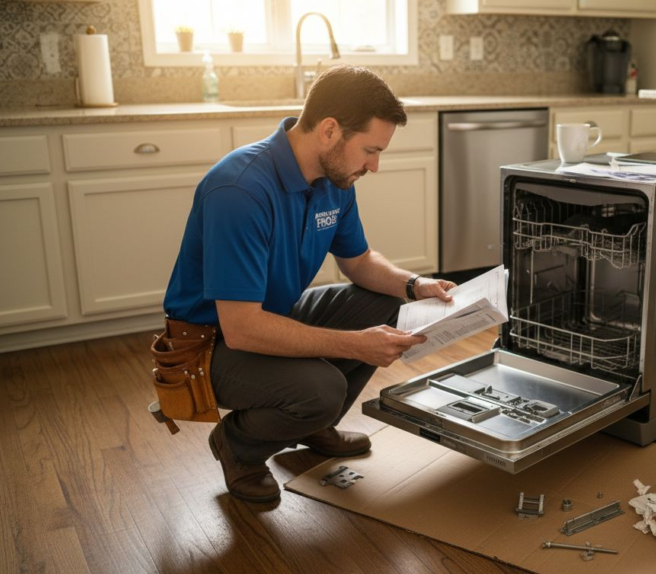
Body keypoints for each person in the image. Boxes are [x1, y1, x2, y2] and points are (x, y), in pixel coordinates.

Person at [163, 65, 455, 503]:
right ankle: (238, 447)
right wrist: (356, 344)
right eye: (370, 150)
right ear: (330, 130)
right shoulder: (240, 189)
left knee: (384, 301)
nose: (374, 166)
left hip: (269, 316)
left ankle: (313, 425)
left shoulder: (334, 179)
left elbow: (358, 261)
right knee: (323, 389)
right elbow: (242, 328)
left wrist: (414, 285)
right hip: (211, 344)